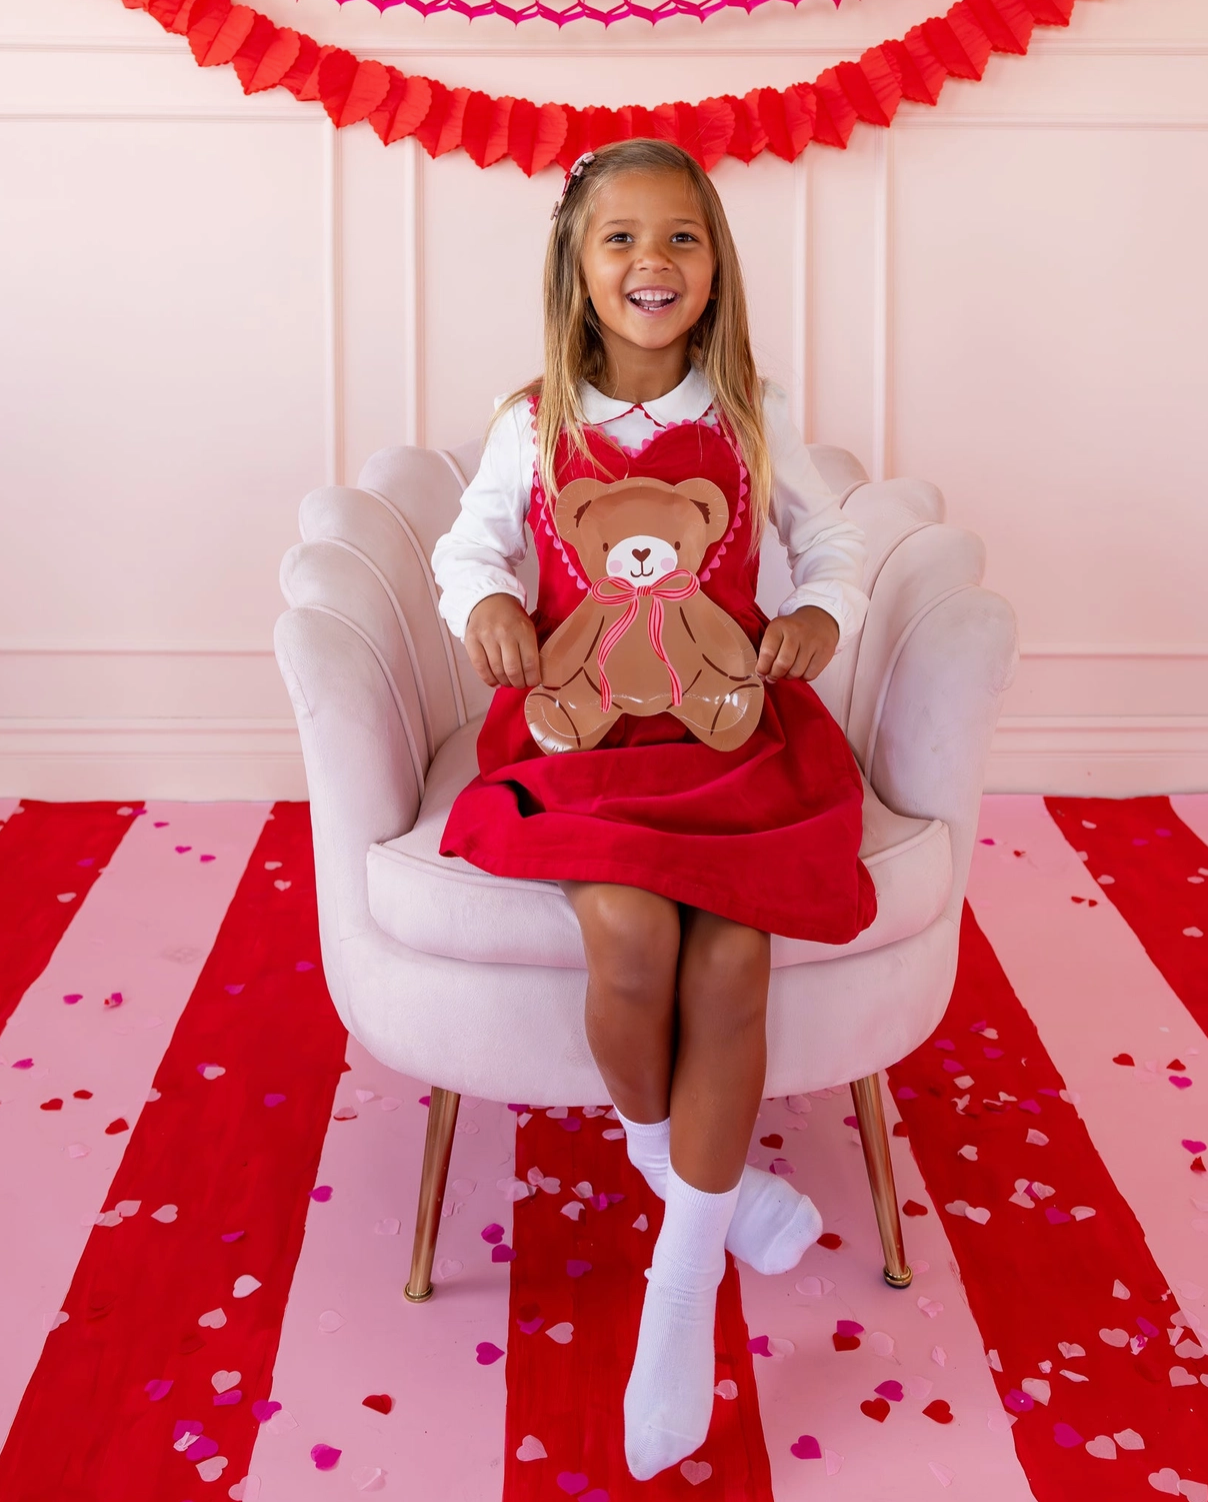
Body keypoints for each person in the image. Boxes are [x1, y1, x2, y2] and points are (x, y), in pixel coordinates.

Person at [431, 138, 876, 1481]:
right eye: (620, 238)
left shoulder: (751, 414)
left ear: (715, 263)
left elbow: (837, 542)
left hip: (730, 731)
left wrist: (816, 612)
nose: (651, 263)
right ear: (577, 262)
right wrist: (490, 602)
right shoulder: (535, 416)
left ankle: (680, 1289)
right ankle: (697, 1176)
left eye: (680, 238)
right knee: (631, 940)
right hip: (590, 731)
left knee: (732, 952)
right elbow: (468, 545)